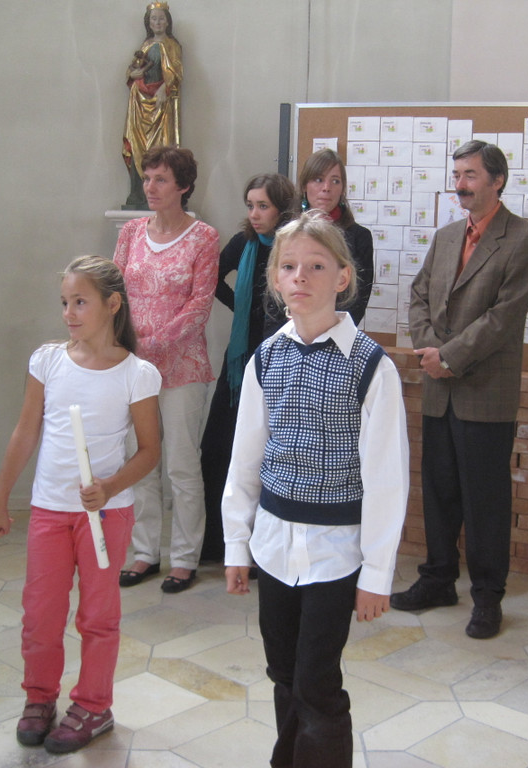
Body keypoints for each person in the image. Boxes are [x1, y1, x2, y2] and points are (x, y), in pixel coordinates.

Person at [223, 211, 408, 768]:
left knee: (316, 682)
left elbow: (387, 480)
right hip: (273, 545)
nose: (300, 276)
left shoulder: (371, 367)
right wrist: (236, 544)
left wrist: (376, 573)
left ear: (343, 277)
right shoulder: (267, 359)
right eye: (288, 267)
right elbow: (245, 460)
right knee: (283, 672)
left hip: (336, 552)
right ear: (275, 279)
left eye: (316, 266)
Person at [0, 256, 161, 753]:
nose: (69, 313)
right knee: (40, 613)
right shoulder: (48, 361)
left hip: (106, 514)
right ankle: (39, 697)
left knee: (97, 616)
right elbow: (25, 432)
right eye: (64, 302)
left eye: (80, 302)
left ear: (112, 304)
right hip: (50, 511)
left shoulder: (137, 373)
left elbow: (150, 451)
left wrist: (110, 486)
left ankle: (94, 706)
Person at [390, 140, 528, 640]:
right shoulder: (446, 237)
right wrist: (429, 349)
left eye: (471, 174)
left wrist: (449, 356)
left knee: (485, 502)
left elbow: (504, 317)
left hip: (484, 391)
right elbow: (418, 295)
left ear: (497, 180)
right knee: (438, 493)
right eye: (457, 174)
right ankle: (438, 580)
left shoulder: (525, 239)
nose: (460, 184)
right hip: (439, 390)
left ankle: (487, 597)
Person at [114, 145, 219, 592]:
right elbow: (113, 291)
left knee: (181, 464)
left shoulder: (204, 237)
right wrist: (122, 346)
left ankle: (184, 558)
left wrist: (152, 345)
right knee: (139, 460)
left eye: (160, 179)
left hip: (182, 368)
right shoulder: (131, 232)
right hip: (132, 369)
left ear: (184, 186)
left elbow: (200, 305)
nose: (150, 187)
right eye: (147, 177)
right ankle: (145, 553)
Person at [199, 173, 297, 562]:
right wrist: (243, 308)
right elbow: (212, 278)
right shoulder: (244, 242)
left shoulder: (292, 246)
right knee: (217, 445)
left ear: (281, 209)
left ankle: (261, 546)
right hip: (241, 358)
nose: (255, 214)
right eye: (250, 205)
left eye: (263, 206)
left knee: (265, 451)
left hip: (280, 358)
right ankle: (216, 541)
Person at [297, 148, 374, 322]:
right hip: (290, 329)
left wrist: (324, 329)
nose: (326, 188)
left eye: (335, 181)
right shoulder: (287, 234)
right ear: (304, 186)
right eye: (318, 180)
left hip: (336, 330)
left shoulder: (359, 237)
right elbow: (275, 296)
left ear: (342, 189)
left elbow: (357, 301)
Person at [122, 2, 182, 208]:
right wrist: (133, 74)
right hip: (139, 103)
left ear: (168, 22)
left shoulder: (172, 45)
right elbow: (133, 68)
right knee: (138, 145)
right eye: (153, 19)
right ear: (148, 23)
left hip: (160, 104)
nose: (157, 22)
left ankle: (163, 194)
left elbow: (176, 73)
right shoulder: (145, 45)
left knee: (161, 148)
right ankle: (138, 194)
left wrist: (164, 88)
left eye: (161, 18)